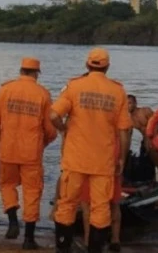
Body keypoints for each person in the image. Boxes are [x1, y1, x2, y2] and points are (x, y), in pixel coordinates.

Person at [50, 47, 132, 253]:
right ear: (108, 67)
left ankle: (63, 248)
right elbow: (124, 130)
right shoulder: (117, 91)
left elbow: (53, 116)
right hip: (103, 162)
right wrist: (121, 159)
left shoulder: (74, 86)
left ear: (87, 65)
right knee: (100, 208)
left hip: (75, 159)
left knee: (67, 204)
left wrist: (64, 129)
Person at [0, 57, 57, 250]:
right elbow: (51, 130)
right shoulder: (43, 94)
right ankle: (28, 239)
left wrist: (1, 139)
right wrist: (42, 144)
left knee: (7, 184)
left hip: (7, 149)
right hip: (31, 153)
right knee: (32, 192)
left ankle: (12, 222)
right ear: (36, 73)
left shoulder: (5, 90)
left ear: (21, 71)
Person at [80, 131, 122, 252]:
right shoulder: (115, 118)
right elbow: (124, 135)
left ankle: (89, 241)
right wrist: (122, 159)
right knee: (113, 203)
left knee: (87, 205)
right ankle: (115, 240)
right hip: (110, 157)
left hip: (90, 161)